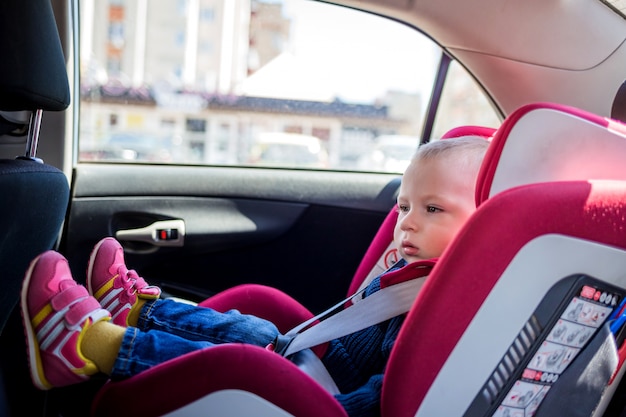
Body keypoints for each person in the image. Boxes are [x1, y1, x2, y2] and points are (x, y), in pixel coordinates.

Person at [20, 135, 489, 417]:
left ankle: (89, 347)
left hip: (340, 401)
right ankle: (140, 311)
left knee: (253, 356)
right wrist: (297, 348)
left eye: (433, 209)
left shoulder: (452, 307)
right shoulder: (419, 271)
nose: (406, 222)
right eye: (404, 206)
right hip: (336, 364)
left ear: (486, 221)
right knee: (260, 332)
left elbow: (388, 397)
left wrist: (302, 387)